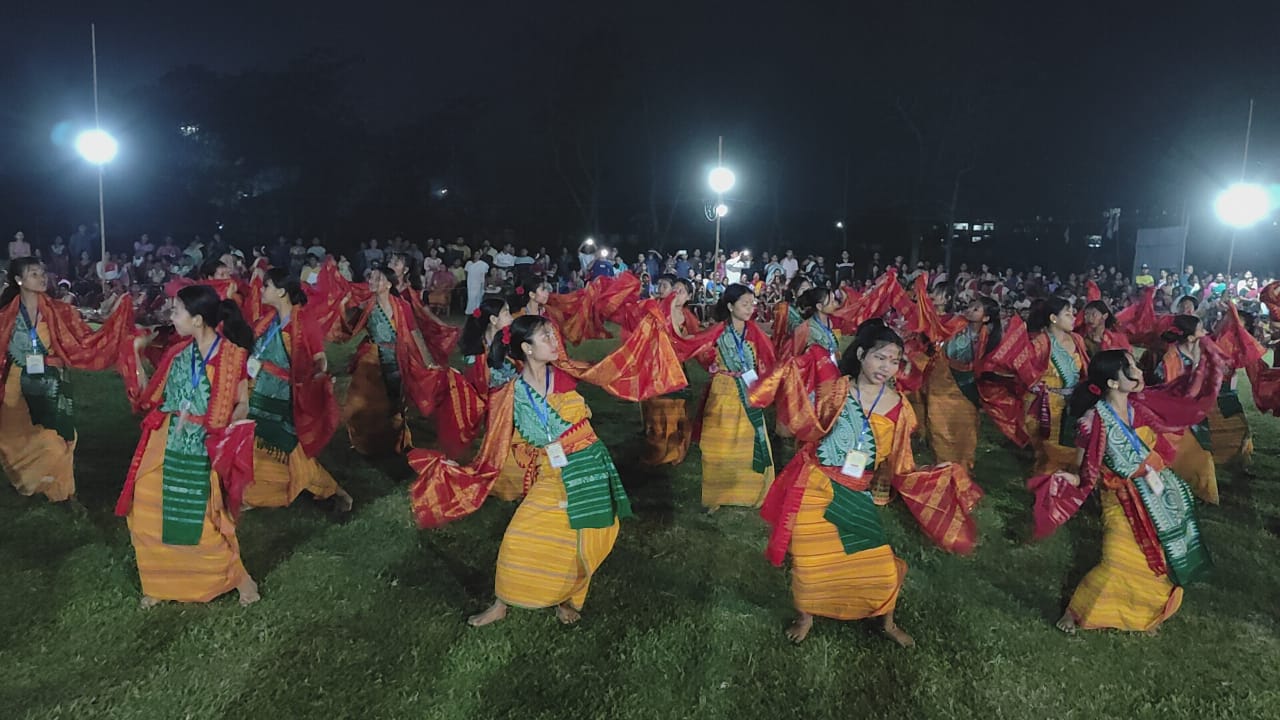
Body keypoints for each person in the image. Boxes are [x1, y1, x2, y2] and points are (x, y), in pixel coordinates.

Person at [747, 320, 982, 645]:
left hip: (857, 493)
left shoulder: (901, 409)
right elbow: (795, 429)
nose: (886, 367)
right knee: (809, 563)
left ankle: (886, 622)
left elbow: (902, 465)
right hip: (815, 485)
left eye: (894, 361)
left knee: (881, 567)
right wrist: (793, 389)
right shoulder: (834, 390)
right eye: (879, 357)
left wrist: (936, 472)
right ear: (860, 354)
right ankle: (806, 617)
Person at [410, 316, 649, 627]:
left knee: (585, 534)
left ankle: (568, 598)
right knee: (519, 535)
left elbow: (619, 368)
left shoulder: (566, 374)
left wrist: (648, 333)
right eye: (545, 337)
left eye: (553, 334)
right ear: (527, 348)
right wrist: (470, 468)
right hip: (549, 471)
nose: (554, 341)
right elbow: (497, 438)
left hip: (587, 463)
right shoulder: (510, 392)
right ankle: (502, 603)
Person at [1045, 351, 1213, 634]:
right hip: (1119, 499)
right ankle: (1075, 613)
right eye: (1129, 367)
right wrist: (1070, 479)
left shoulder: (1142, 407)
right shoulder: (1093, 419)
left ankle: (1145, 613)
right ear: (1112, 382)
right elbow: (1081, 465)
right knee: (1116, 558)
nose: (1137, 370)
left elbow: (1181, 404)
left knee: (1158, 559)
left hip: (1156, 496)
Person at [115, 285, 260, 607]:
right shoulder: (177, 354)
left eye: (177, 311)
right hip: (164, 441)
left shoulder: (233, 356)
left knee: (200, 519)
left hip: (203, 445)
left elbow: (242, 403)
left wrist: (230, 434)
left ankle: (238, 577)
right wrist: (137, 354)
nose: (172, 316)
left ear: (197, 320)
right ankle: (159, 582)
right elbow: (147, 398)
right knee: (147, 510)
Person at [0, 258, 139, 502]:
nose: (42, 277)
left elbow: (87, 337)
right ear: (19, 280)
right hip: (15, 380)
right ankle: (32, 481)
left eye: (43, 272)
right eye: (34, 273)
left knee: (61, 437)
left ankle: (64, 492)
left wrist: (119, 312)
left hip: (51, 380)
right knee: (12, 435)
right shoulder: (6, 314)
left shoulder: (59, 311)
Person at [240, 269, 352, 512]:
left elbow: (319, 357)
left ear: (281, 291)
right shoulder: (268, 321)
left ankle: (330, 490)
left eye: (267, 286)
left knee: (289, 447)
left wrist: (319, 378)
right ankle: (256, 492)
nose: (262, 291)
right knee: (257, 442)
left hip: (283, 396)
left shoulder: (304, 321)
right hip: (260, 391)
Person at [339, 266, 440, 456]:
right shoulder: (366, 306)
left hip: (396, 357)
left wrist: (428, 362)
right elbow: (348, 328)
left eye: (377, 278)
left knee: (395, 403)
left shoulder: (402, 307)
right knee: (365, 402)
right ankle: (366, 442)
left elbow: (414, 333)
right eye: (370, 277)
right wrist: (343, 306)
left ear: (388, 284)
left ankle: (397, 441)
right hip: (372, 359)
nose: (371, 281)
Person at [695, 284, 775, 511]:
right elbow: (699, 351)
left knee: (751, 440)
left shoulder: (755, 332)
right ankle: (716, 495)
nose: (750, 308)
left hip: (749, 391)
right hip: (723, 390)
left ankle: (752, 493)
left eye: (752, 304)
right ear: (730, 306)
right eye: (745, 304)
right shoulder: (717, 331)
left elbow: (767, 360)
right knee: (718, 443)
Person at [923, 297, 1001, 469]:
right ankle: (942, 465)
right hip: (943, 381)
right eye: (970, 307)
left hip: (967, 388)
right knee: (939, 425)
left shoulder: (990, 338)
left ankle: (962, 468)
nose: (970, 310)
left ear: (986, 318)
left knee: (964, 430)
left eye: (976, 309)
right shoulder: (955, 324)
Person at [640, 277, 700, 465]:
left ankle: (675, 451)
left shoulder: (687, 318)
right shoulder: (657, 312)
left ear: (688, 297)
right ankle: (658, 449)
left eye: (681, 291)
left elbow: (693, 342)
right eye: (675, 289)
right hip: (656, 369)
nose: (676, 293)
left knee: (675, 411)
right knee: (656, 411)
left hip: (675, 371)